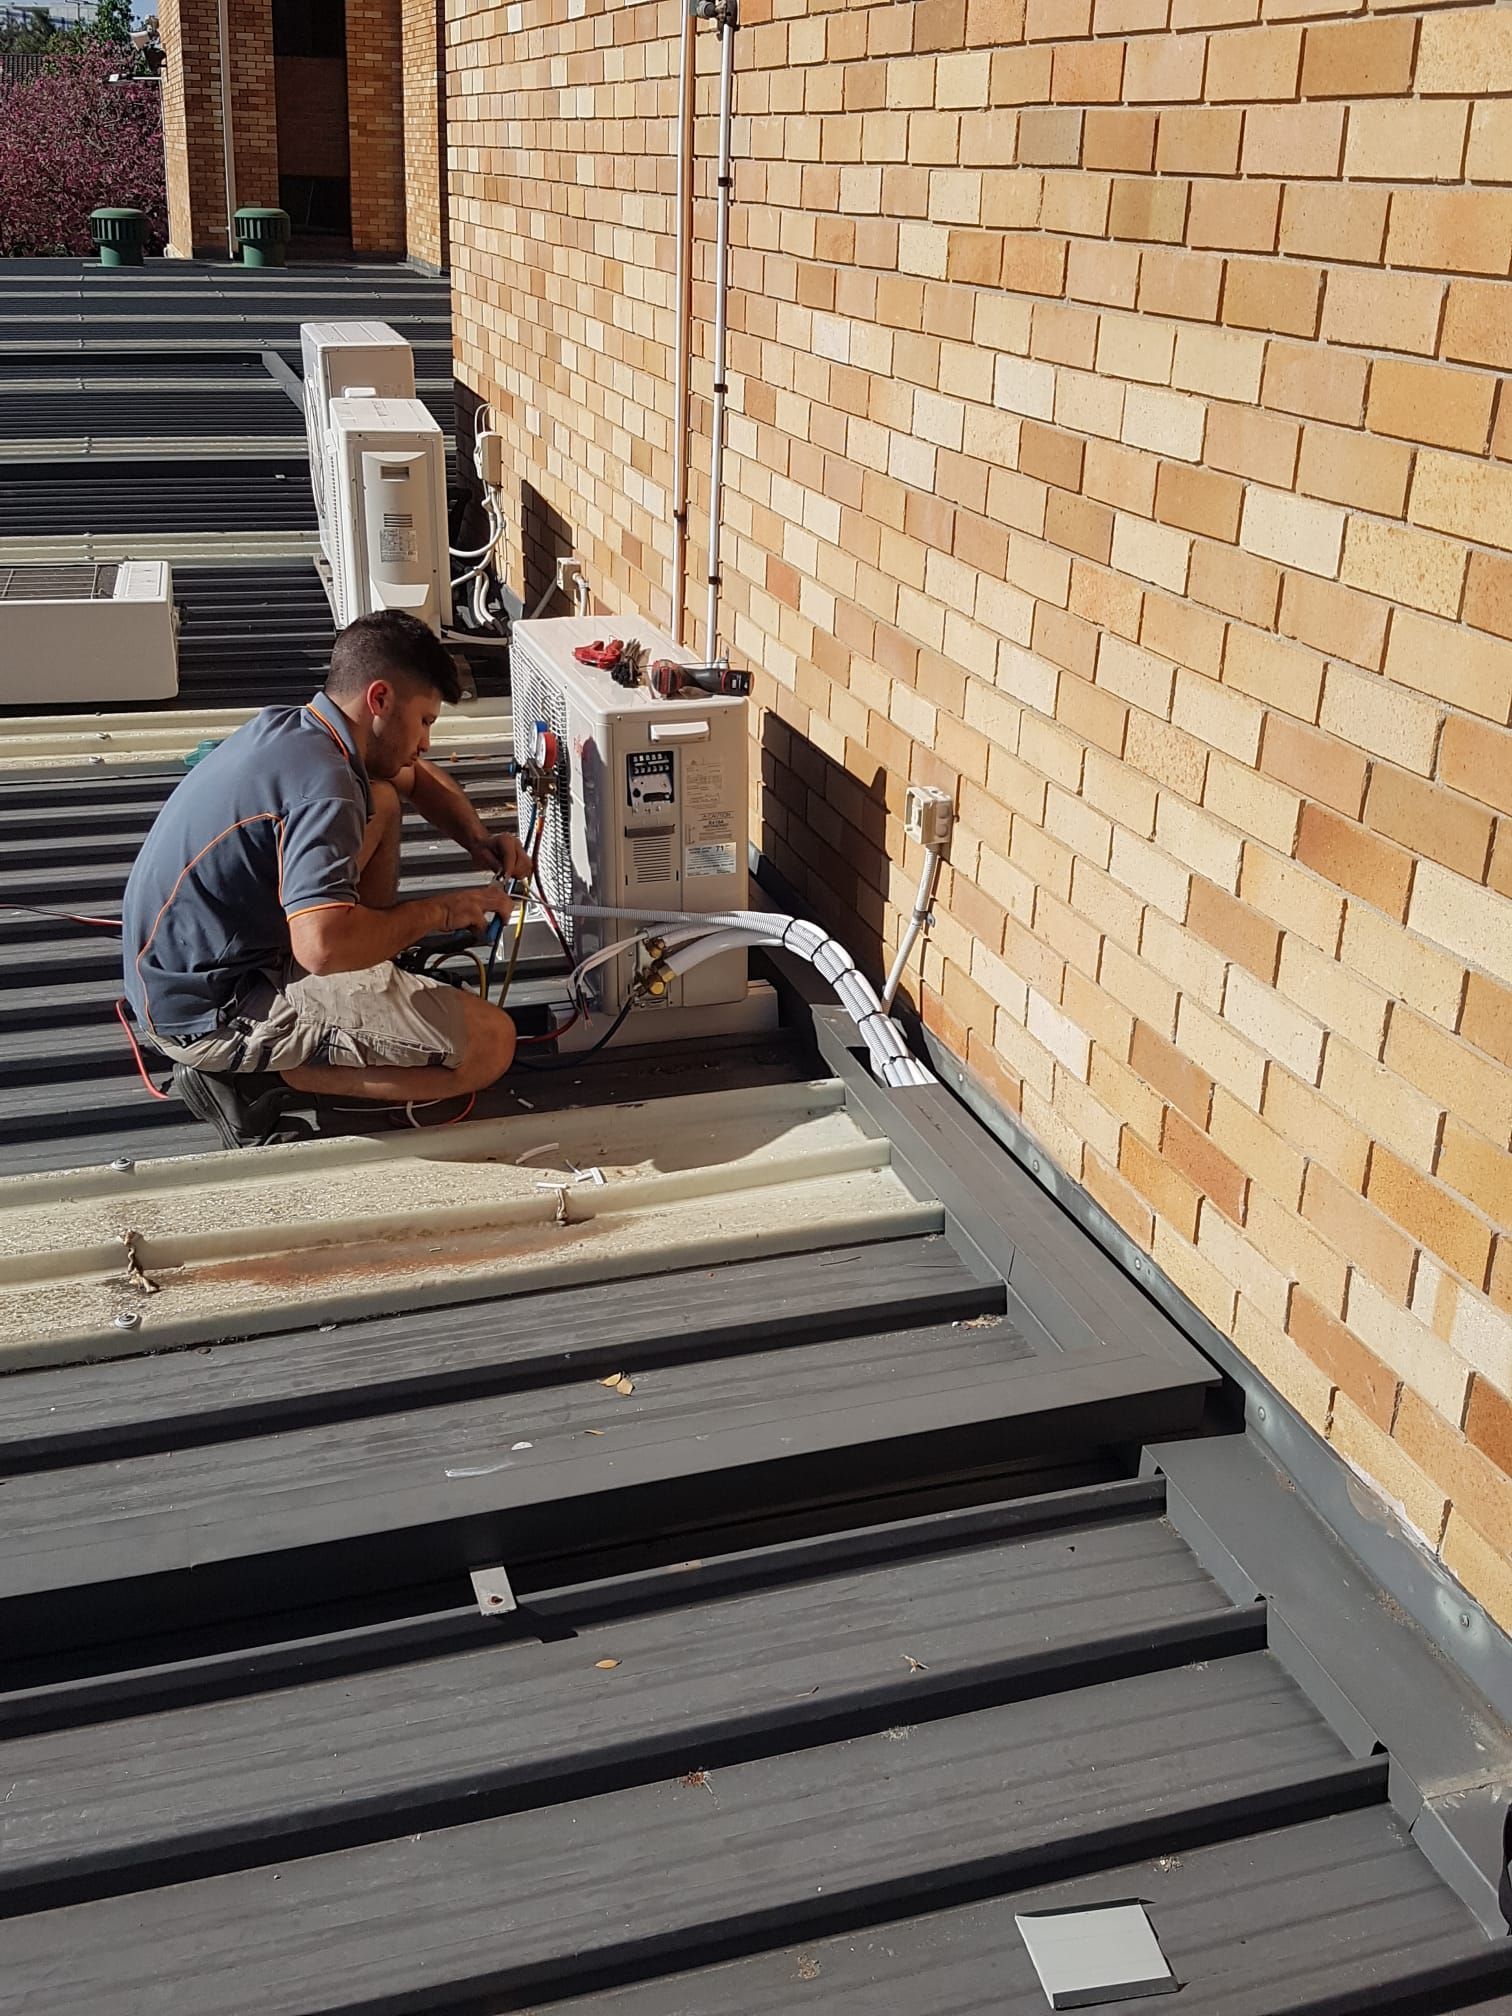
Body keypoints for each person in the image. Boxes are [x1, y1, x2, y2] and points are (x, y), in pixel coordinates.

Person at [122, 609, 528, 1148]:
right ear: (380, 700)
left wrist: (477, 839)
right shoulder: (327, 787)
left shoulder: (297, 729)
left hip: (180, 967)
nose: (428, 741)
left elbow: (412, 775)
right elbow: (320, 948)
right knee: (491, 1044)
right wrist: (442, 910)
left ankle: (363, 974)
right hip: (210, 1011)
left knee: (381, 797)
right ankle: (262, 1077)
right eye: (426, 721)